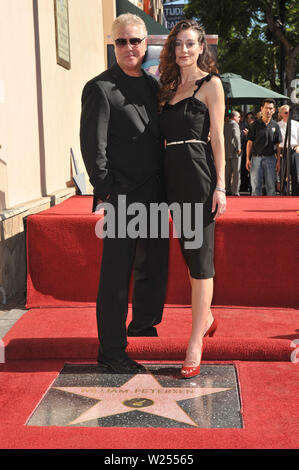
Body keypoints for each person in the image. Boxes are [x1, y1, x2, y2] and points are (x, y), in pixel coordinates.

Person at [80, 14, 169, 374]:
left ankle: (143, 328)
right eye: (122, 41)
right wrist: (107, 192)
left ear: (146, 43)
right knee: (116, 276)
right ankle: (112, 349)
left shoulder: (153, 87)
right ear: (112, 44)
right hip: (122, 197)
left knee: (154, 266)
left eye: (135, 41)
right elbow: (93, 147)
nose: (130, 47)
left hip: (156, 194)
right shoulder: (100, 88)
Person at [158, 19, 226, 379]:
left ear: (202, 48)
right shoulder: (167, 89)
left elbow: (218, 138)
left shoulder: (211, 84)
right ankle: (208, 317)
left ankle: (195, 339)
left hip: (199, 177)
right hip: (172, 179)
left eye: (190, 44)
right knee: (187, 253)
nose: (183, 50)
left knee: (200, 259)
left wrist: (221, 186)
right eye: (178, 44)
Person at [246, 99, 282, 195]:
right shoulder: (255, 125)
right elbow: (249, 142)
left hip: (271, 159)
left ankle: (270, 209)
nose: (268, 110)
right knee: (256, 187)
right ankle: (255, 207)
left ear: (274, 110)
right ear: (262, 109)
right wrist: (247, 159)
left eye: (270, 108)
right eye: (266, 108)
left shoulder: (276, 126)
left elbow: (278, 145)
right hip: (256, 158)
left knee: (271, 187)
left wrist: (278, 161)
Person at [278, 104, 299, 195]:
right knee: (283, 175)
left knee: (296, 176)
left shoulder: (297, 124)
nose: (288, 114)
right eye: (286, 112)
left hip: (294, 151)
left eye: (290, 112)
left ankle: (296, 196)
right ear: (281, 114)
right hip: (283, 151)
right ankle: (284, 195)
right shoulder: (278, 125)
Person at [224, 110, 242, 195]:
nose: (240, 119)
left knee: (227, 172)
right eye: (238, 117)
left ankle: (226, 189)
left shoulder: (225, 124)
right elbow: (237, 136)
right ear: (234, 117)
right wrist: (239, 147)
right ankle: (235, 191)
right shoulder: (235, 124)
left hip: (226, 151)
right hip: (235, 152)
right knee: (236, 173)